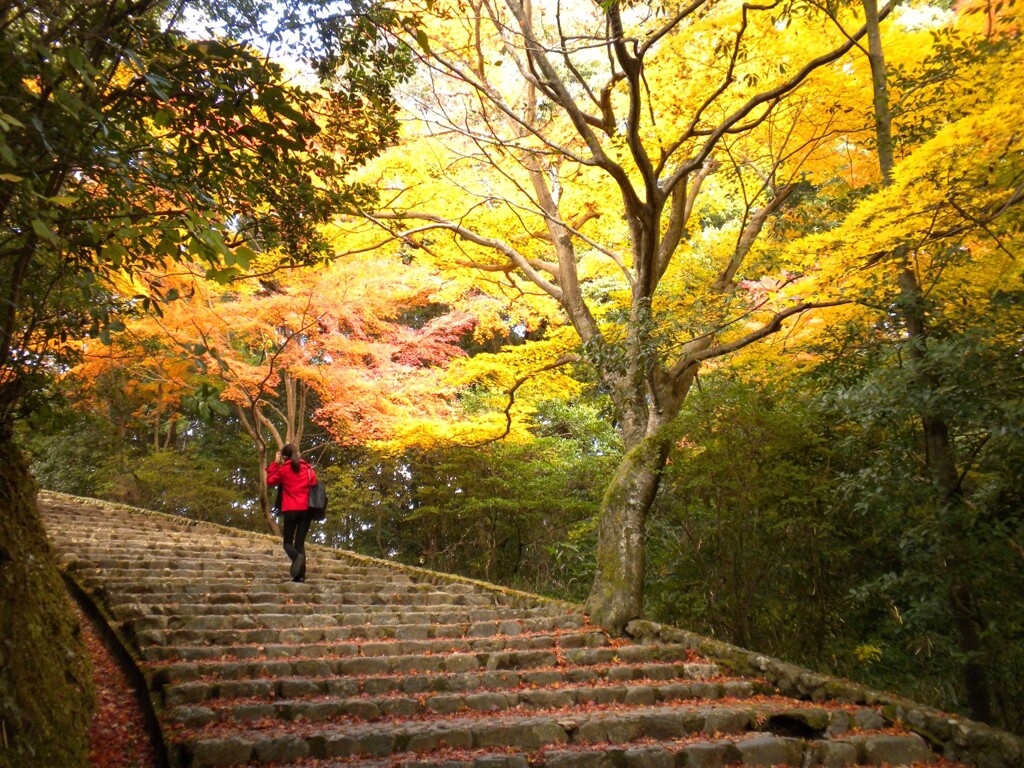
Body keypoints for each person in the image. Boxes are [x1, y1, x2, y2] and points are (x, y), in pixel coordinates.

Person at [265, 443, 316, 582]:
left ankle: (295, 557)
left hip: (290, 509)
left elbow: (270, 480)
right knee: (299, 544)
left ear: (284, 457)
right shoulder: (308, 469)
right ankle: (300, 577)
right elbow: (314, 483)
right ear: (297, 453)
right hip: (306, 510)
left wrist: (275, 463)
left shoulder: (283, 470)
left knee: (288, 543)